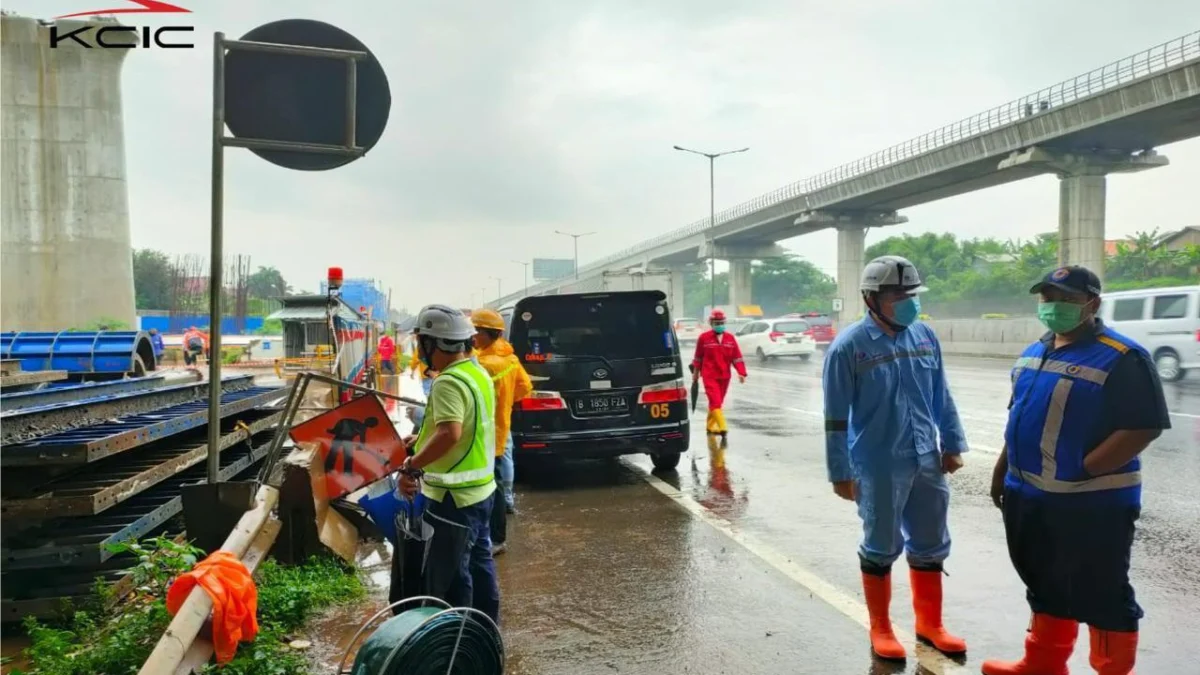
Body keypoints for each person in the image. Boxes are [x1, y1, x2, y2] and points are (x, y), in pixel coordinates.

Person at [981, 266, 1170, 675]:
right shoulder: (1037, 350)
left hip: (1091, 505)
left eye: (1066, 300)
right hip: (1028, 495)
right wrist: (1002, 468)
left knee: (1103, 594)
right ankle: (1042, 664)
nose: (1054, 308)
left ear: (1092, 304)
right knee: (1044, 583)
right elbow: (1020, 416)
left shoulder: (1123, 357)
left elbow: (1144, 426)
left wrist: (1084, 468)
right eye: (1047, 299)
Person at [822, 255, 968, 661]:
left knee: (931, 541)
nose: (907, 301)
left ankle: (930, 624)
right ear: (871, 298)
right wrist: (840, 472)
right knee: (881, 544)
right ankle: (881, 628)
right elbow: (835, 418)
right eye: (897, 295)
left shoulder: (924, 336)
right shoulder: (848, 348)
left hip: (927, 459)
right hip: (879, 463)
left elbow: (941, 394)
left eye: (911, 294)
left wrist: (953, 443)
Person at [398, 305, 500, 623]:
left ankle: (461, 641)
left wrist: (412, 465)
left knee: (455, 576)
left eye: (421, 342)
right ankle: (486, 629)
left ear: (433, 344)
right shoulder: (476, 372)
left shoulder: (447, 382)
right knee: (480, 567)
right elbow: (464, 426)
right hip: (482, 491)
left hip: (453, 498)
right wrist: (419, 439)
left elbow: (450, 432)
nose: (419, 349)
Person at [471, 308, 533, 556]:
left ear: (487, 334)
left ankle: (496, 539)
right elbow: (525, 387)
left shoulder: (483, 364)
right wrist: (505, 405)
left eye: (475, 331)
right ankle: (496, 531)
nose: (472, 336)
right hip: (500, 427)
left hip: (484, 432)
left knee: (490, 488)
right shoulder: (510, 358)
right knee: (499, 476)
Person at [690, 309, 747, 441]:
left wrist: (741, 372)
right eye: (716, 322)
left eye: (721, 322)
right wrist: (695, 373)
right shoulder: (703, 338)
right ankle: (723, 427)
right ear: (711, 323)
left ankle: (710, 426)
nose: (719, 324)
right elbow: (698, 358)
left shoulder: (730, 338)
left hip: (725, 376)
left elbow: (736, 357)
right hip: (709, 375)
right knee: (715, 401)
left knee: (717, 402)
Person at [409, 327, 438, 429]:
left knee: (429, 395)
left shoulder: (423, 348)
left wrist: (412, 371)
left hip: (427, 376)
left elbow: (415, 359)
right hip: (430, 375)